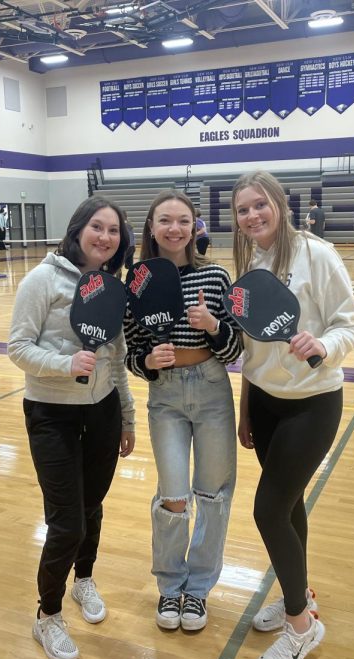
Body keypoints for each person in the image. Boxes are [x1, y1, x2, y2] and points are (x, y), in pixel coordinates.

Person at [231, 171, 354, 659]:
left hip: (312, 403)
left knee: (268, 511)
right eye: (243, 210)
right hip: (265, 405)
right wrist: (246, 411)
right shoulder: (250, 261)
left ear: (280, 205)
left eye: (259, 205)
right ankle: (299, 592)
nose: (252, 216)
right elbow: (250, 348)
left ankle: (301, 628)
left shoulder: (317, 254)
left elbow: (349, 321)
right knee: (290, 507)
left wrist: (324, 345)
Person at [8, 196, 136, 659]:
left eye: (114, 231)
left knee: (92, 506)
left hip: (101, 411)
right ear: (79, 228)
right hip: (51, 414)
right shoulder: (42, 279)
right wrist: (66, 364)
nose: (105, 237)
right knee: (67, 522)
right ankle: (47, 615)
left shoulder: (111, 286)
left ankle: (84, 579)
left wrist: (126, 417)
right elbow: (18, 347)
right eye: (97, 227)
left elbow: (118, 360)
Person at [123, 190, 243, 632]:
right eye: (165, 221)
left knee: (212, 496)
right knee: (173, 497)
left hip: (212, 390)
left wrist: (212, 326)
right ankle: (170, 586)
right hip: (166, 399)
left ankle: (198, 590)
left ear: (195, 228)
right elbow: (131, 351)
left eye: (184, 221)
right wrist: (148, 363)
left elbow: (235, 347)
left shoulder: (214, 277)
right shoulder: (136, 281)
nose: (175, 229)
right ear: (151, 228)